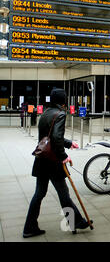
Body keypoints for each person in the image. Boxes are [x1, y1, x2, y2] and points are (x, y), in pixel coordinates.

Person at [23, 88, 91, 238]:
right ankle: (76, 222)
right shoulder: (60, 114)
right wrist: (63, 155)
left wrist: (68, 143)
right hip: (53, 161)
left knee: (39, 193)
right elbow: (55, 138)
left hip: (42, 158)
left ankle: (29, 227)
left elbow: (48, 137)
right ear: (63, 100)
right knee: (63, 192)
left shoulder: (46, 113)